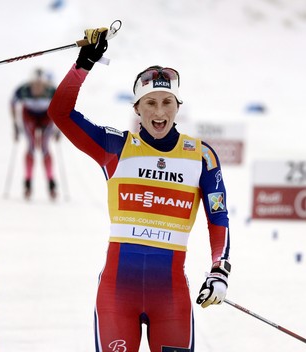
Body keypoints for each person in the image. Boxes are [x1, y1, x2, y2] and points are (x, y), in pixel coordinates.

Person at [48, 28, 231, 352]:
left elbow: (219, 218)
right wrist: (83, 64)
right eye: (150, 103)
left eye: (166, 102)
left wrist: (219, 269)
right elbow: (60, 114)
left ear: (178, 105)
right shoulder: (115, 147)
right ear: (136, 108)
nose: (159, 112)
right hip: (117, 296)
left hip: (170, 299)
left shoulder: (201, 156)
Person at [10, 68, 61, 200]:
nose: (37, 89)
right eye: (35, 85)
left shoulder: (51, 91)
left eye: (41, 85)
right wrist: (15, 124)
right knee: (32, 146)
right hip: (29, 116)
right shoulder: (23, 90)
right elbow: (12, 103)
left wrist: (59, 128)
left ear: (45, 84)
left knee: (44, 147)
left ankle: (51, 183)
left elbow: (63, 107)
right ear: (30, 83)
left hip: (47, 116)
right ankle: (28, 182)